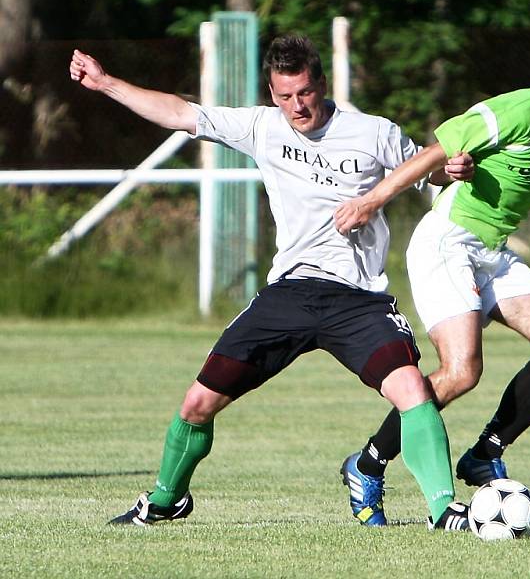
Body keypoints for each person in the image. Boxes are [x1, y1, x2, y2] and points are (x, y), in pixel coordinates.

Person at [69, 35, 476, 530]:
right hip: (291, 292)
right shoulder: (262, 126)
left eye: (304, 92)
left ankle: (443, 509)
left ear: (321, 84)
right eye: (284, 96)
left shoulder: (372, 132)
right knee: (197, 404)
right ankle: (166, 498)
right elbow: (179, 112)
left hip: (359, 298)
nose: (296, 106)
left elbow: (425, 171)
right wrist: (107, 83)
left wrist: (450, 170)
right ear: (271, 91)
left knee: (412, 388)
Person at [334, 41, 530, 525]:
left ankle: (485, 452)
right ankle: (367, 464)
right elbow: (431, 155)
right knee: (461, 371)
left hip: (492, 252)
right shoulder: (510, 113)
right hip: (448, 243)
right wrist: (372, 201)